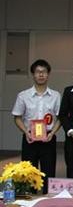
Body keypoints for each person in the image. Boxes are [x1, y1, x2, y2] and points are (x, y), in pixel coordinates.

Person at [12, 59, 61, 194]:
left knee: (49, 172)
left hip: (48, 138)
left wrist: (52, 133)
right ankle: (29, 200)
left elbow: (60, 118)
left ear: (48, 74)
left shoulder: (56, 95)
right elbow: (17, 117)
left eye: (44, 72)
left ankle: (47, 200)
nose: (41, 75)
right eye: (38, 72)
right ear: (33, 74)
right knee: (28, 174)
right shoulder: (23, 95)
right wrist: (26, 132)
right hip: (29, 138)